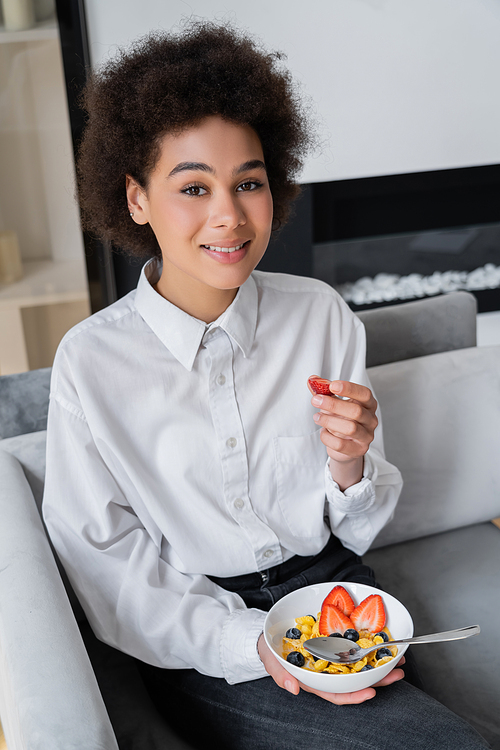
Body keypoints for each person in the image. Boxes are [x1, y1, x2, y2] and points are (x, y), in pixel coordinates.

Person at [42, 20, 489, 750]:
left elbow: (354, 525)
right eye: (193, 187)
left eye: (248, 182)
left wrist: (350, 464)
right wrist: (252, 644)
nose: (229, 215)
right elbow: (107, 563)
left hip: (338, 588)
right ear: (136, 199)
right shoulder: (92, 364)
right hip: (206, 627)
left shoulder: (320, 314)